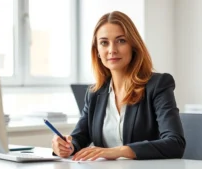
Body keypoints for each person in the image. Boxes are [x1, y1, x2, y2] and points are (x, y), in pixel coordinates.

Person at [52, 11, 186, 161]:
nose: (112, 50)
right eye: (104, 43)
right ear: (97, 51)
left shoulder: (158, 85)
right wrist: (66, 146)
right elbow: (80, 137)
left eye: (121, 41)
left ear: (133, 46)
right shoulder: (95, 93)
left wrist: (119, 151)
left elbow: (175, 144)